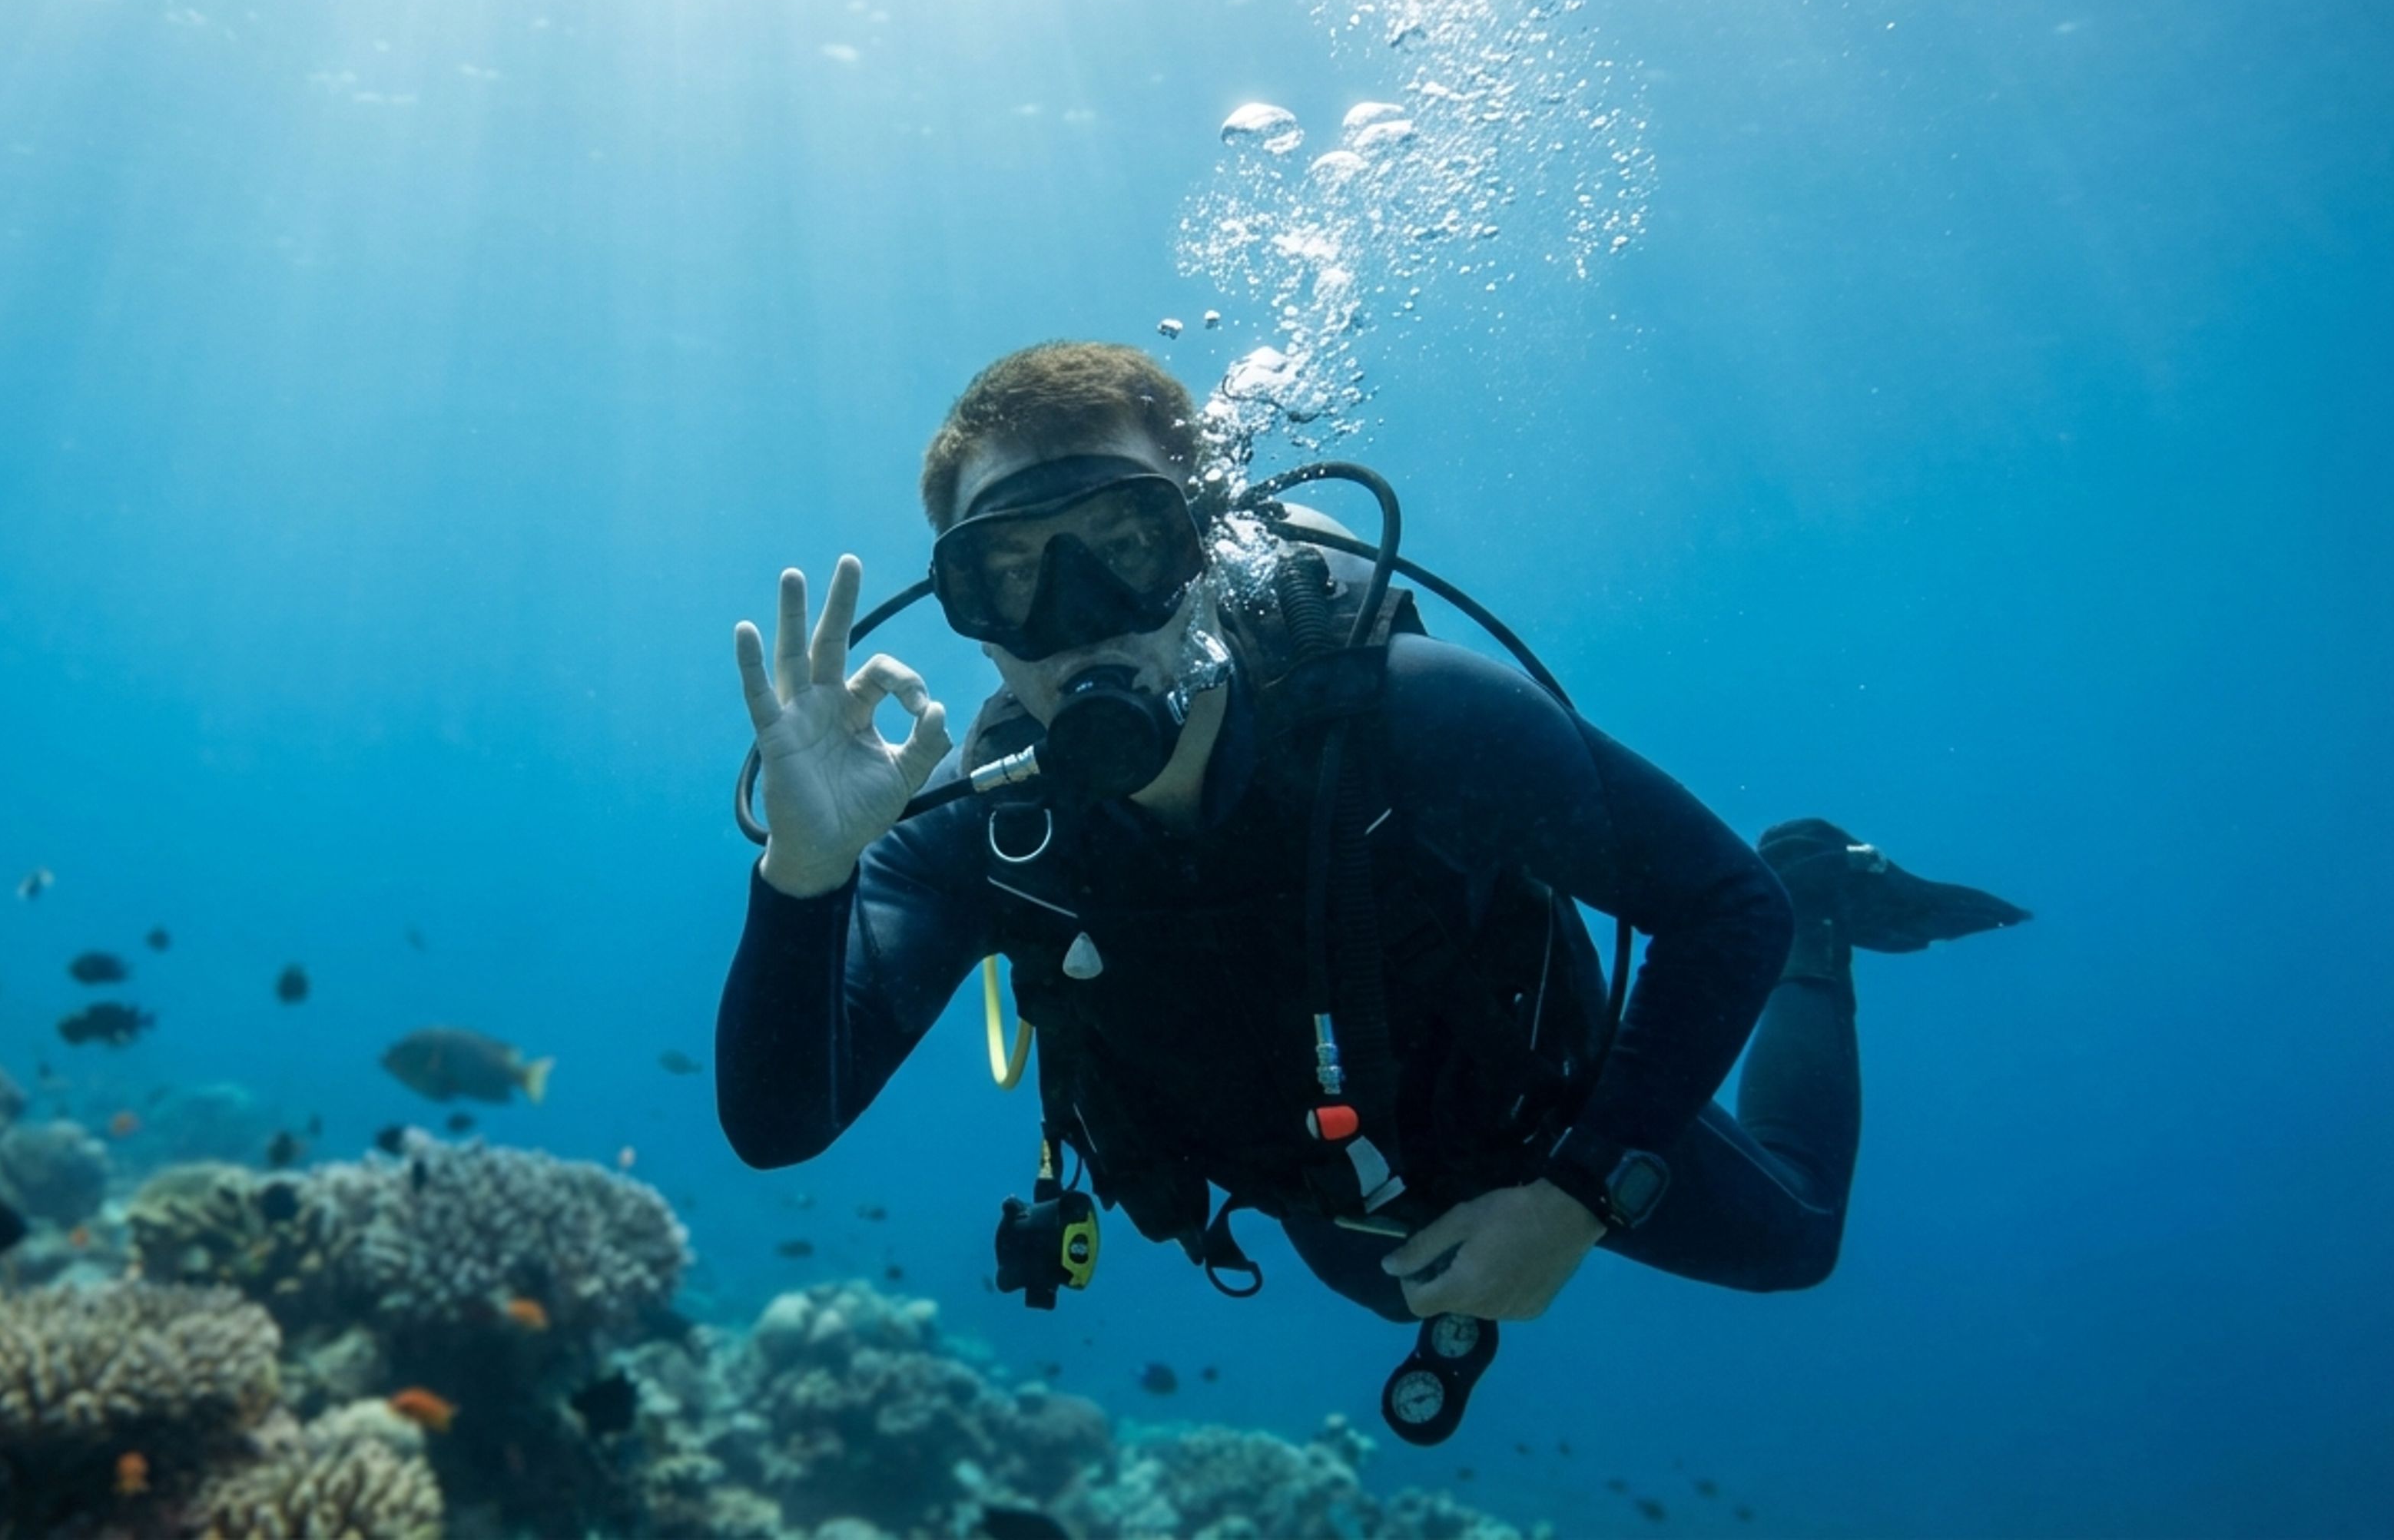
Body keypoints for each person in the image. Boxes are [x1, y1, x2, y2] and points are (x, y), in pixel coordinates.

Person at [718, 341, 2025, 1338]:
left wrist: (1577, 1197)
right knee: (1377, 1282)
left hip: (1542, 1114)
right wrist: (805, 876)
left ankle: (1834, 898)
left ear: (1207, 541)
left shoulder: (1414, 720)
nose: (1084, 617)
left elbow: (1730, 912)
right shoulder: (984, 825)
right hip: (1337, 1201)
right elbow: (780, 1126)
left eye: (1128, 544)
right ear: (970, 616)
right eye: (1011, 572)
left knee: (1795, 1241)